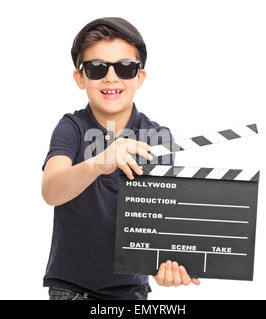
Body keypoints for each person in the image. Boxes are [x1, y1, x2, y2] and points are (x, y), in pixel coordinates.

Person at [41, 17, 200, 300]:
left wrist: (167, 265)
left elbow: (161, 221)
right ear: (80, 78)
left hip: (131, 293)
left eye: (125, 68)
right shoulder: (71, 128)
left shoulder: (156, 136)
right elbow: (51, 190)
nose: (111, 78)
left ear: (139, 77)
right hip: (71, 289)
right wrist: (100, 162)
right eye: (96, 68)